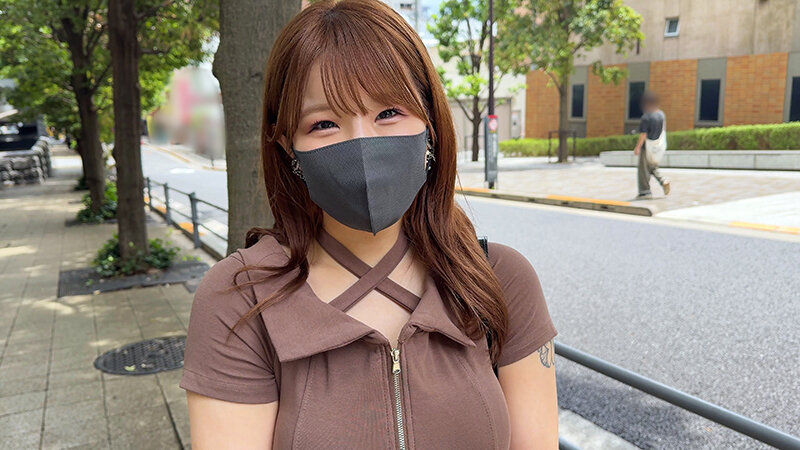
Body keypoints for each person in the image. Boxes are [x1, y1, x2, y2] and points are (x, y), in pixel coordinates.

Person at [179, 1, 559, 448]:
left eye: (388, 112)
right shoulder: (239, 300)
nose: (362, 144)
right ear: (287, 146)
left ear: (431, 124)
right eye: (324, 123)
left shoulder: (499, 279)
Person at [633, 90, 670, 199]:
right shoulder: (661, 115)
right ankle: (663, 180)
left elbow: (643, 134)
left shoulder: (647, 117)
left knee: (643, 170)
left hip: (647, 147)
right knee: (652, 166)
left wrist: (637, 147)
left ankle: (645, 192)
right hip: (658, 146)